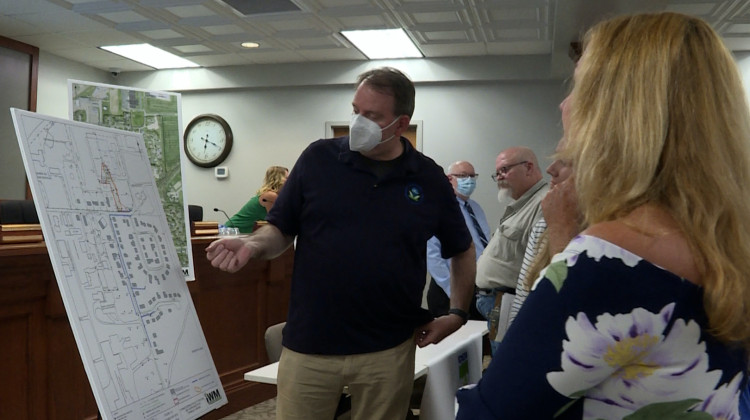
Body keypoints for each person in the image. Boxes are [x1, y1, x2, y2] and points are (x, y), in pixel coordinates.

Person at [457, 12, 750, 418]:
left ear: (617, 110)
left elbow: (488, 412)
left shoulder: (611, 257)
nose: (563, 103)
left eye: (578, 87)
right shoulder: (725, 240)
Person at [206, 67, 476, 420]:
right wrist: (252, 246)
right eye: (355, 111)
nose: (358, 122)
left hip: (388, 349)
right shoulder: (318, 160)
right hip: (310, 346)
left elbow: (461, 248)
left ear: (400, 123)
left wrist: (457, 313)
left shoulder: (427, 178)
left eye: (373, 116)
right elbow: (280, 229)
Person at [474, 146, 548, 353]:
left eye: (504, 170)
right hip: (498, 303)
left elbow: (541, 264)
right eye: (496, 173)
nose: (499, 177)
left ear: (529, 167)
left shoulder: (544, 203)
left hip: (510, 304)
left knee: (506, 363)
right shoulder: (522, 205)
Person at [506, 136, 579, 331]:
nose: (550, 169)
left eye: (564, 161)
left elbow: (565, 305)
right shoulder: (543, 227)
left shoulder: (610, 240)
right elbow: (523, 299)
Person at [426, 160, 490, 319]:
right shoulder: (438, 207)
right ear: (450, 179)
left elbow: (484, 244)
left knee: (478, 338)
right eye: (463, 175)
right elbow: (432, 257)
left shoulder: (476, 208)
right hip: (448, 290)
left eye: (472, 176)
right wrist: (455, 293)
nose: (469, 180)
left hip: (477, 288)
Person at [225, 165, 288, 233]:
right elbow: (277, 219)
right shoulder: (270, 195)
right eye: (287, 178)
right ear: (278, 179)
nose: (290, 180)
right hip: (234, 230)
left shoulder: (272, 194)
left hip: (244, 232)